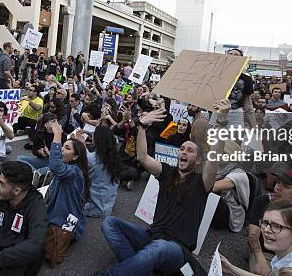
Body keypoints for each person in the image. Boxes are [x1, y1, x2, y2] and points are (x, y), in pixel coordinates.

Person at [99, 100, 228, 276]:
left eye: (190, 150)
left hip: (176, 248)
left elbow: (215, 159)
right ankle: (140, 270)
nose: (183, 151)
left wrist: (221, 121)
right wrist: (142, 127)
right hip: (152, 236)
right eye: (182, 149)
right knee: (109, 224)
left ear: (198, 160)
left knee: (157, 249)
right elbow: (143, 157)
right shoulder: (166, 172)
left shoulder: (202, 181)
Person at [221, 201, 292, 276]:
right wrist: (231, 268)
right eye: (265, 223)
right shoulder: (285, 256)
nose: (267, 230)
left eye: (277, 226)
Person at [43, 119, 90, 267]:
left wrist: (57, 135)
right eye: (62, 147)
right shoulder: (69, 167)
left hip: (64, 224)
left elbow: (55, 166)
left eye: (67, 148)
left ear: (75, 157)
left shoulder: (74, 172)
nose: (62, 150)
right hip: (54, 214)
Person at [83, 126, 121, 217]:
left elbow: (87, 159)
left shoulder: (92, 158)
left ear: (97, 139)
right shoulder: (113, 155)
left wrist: (81, 144)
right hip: (109, 202)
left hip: (96, 208)